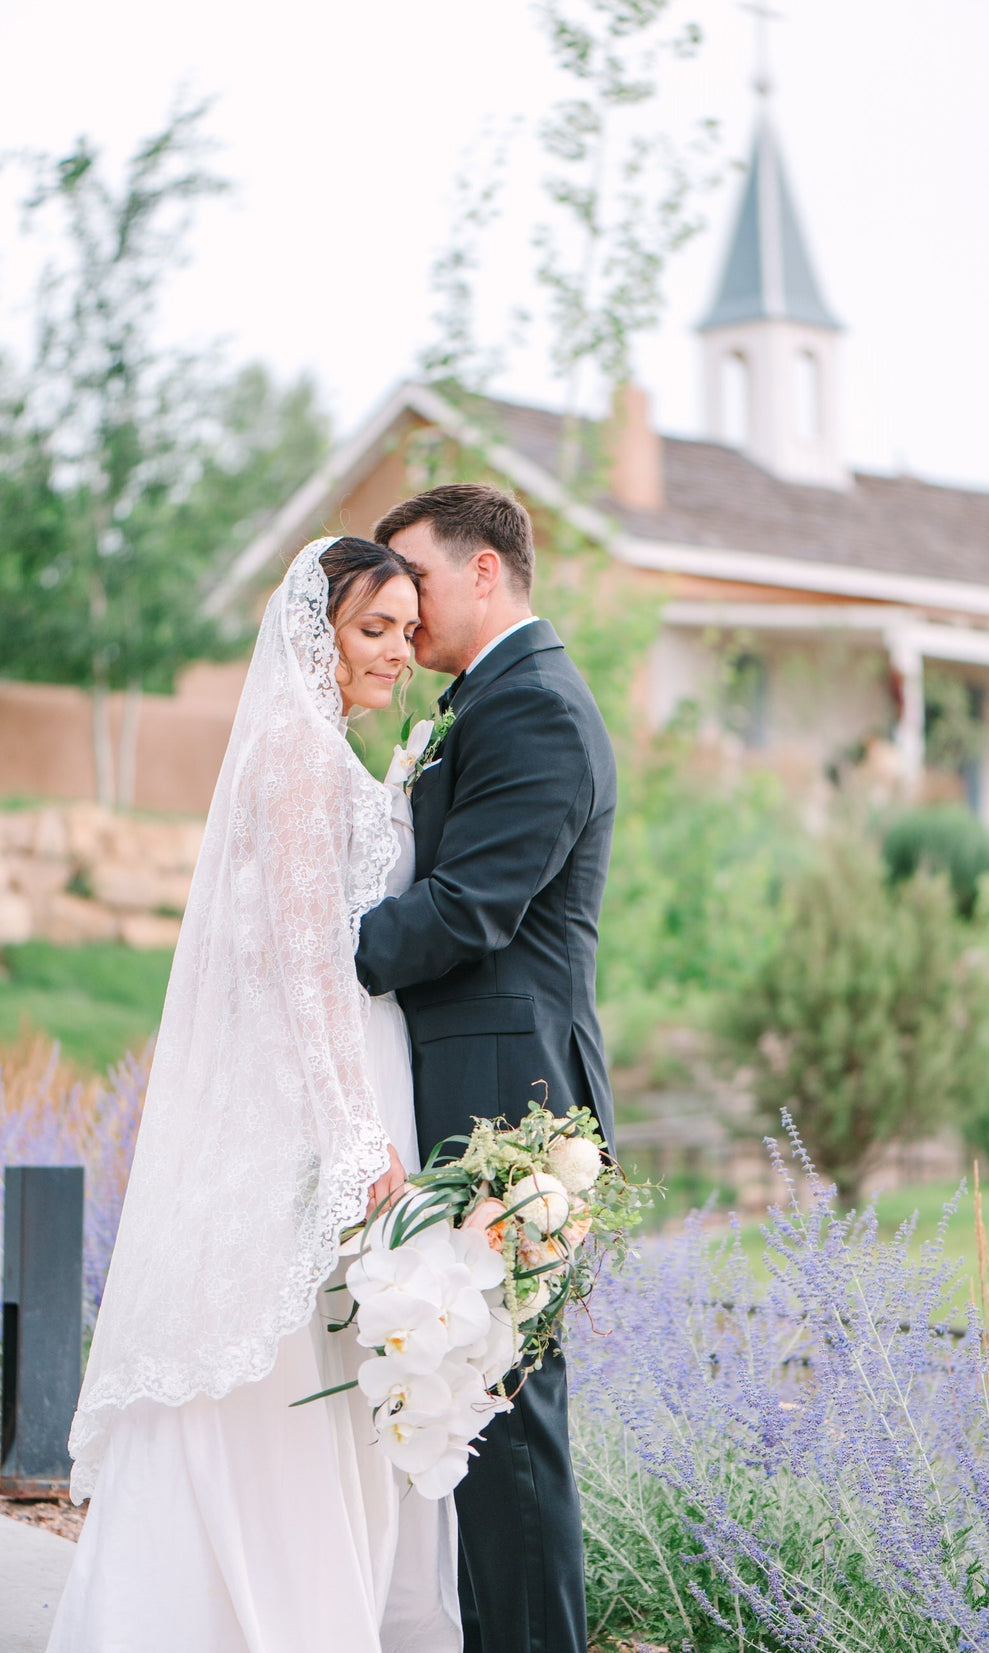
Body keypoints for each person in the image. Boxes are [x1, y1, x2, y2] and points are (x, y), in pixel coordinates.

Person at [48, 536, 462, 1653]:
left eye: (403, 632)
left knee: (320, 1370)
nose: (395, 653)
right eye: (371, 630)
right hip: (301, 1111)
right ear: (312, 635)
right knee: (279, 1370)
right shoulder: (291, 751)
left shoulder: (321, 749)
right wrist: (350, 1133)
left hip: (336, 1092)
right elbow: (297, 961)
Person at [356, 483, 618, 1653]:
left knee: (506, 1414)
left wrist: (321, 945)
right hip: (464, 1086)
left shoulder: (537, 710)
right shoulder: (483, 702)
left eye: (411, 573)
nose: (400, 602)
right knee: (462, 1398)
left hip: (511, 1106)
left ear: (479, 571)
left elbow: (471, 910)